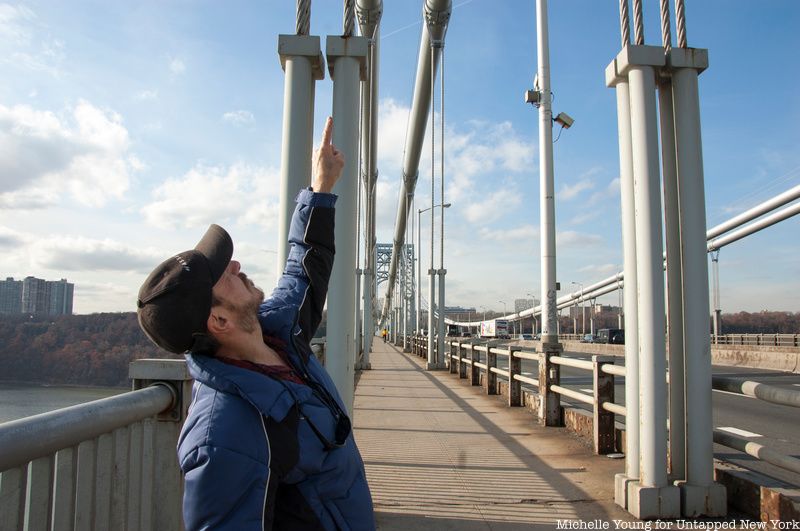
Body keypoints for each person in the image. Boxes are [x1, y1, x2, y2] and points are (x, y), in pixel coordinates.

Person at [136, 117, 375, 530]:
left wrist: (321, 188)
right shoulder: (223, 434)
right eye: (223, 274)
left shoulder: (282, 333)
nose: (236, 264)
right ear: (220, 319)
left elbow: (304, 270)